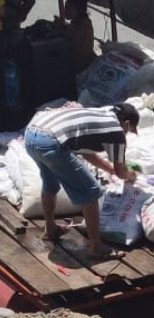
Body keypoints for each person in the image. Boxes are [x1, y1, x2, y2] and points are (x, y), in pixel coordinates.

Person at [24, 102, 139, 260]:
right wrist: (130, 174)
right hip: (51, 143)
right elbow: (121, 172)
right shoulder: (116, 132)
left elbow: (88, 154)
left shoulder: (97, 113)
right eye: (130, 130)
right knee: (91, 192)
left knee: (50, 183)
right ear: (126, 123)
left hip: (31, 135)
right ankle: (96, 247)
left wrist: (109, 169)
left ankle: (50, 229)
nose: (127, 133)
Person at [62, 0, 97, 73]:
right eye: (65, 7)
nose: (65, 11)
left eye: (69, 8)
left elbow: (72, 46)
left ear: (79, 10)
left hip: (80, 66)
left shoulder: (83, 25)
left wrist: (61, 31)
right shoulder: (77, 22)